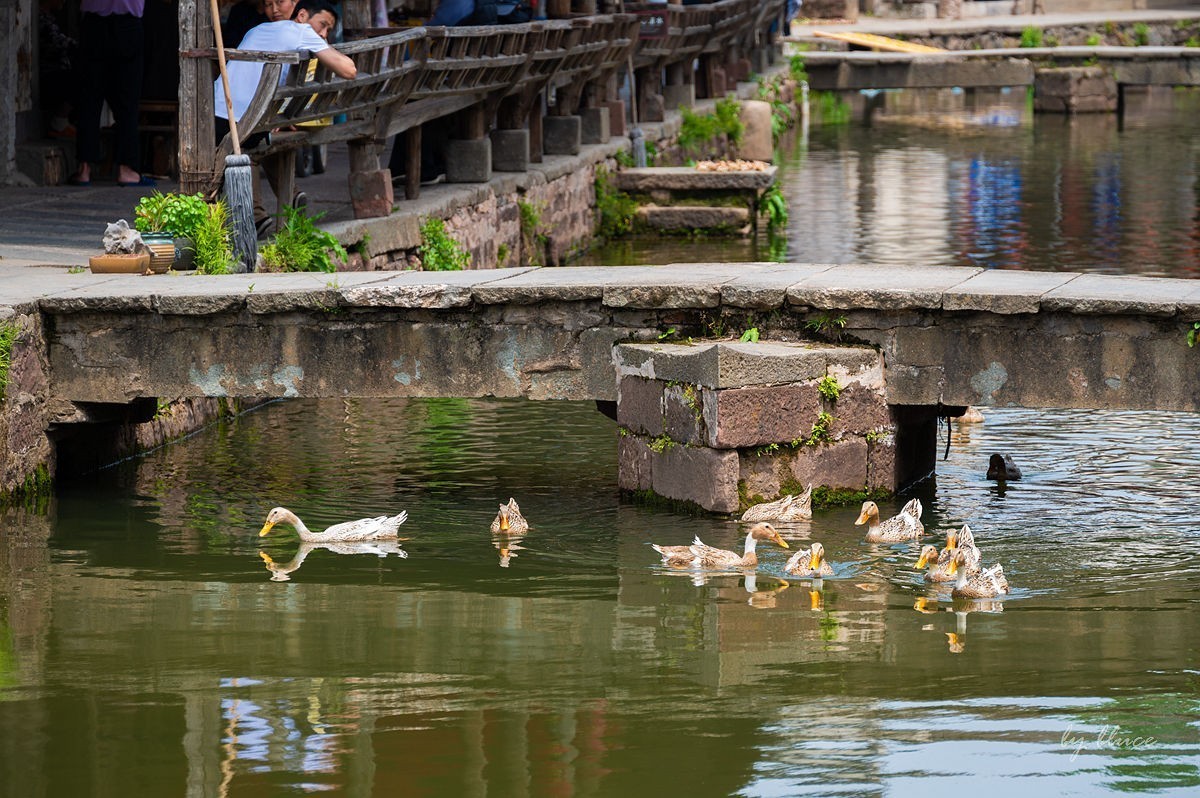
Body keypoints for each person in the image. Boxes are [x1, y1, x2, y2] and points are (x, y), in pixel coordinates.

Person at [214, 0, 356, 231]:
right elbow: (349, 70)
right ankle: (268, 208)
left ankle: (275, 205)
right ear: (301, 15)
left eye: (328, 30)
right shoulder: (302, 31)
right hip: (245, 118)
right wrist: (322, 42)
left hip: (220, 107)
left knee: (263, 137)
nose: (323, 33)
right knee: (257, 146)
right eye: (322, 25)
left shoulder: (258, 29)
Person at [68, 0, 153, 186]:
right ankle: (126, 169)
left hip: (94, 25)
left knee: (89, 99)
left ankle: (84, 168)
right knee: (127, 102)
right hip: (127, 25)